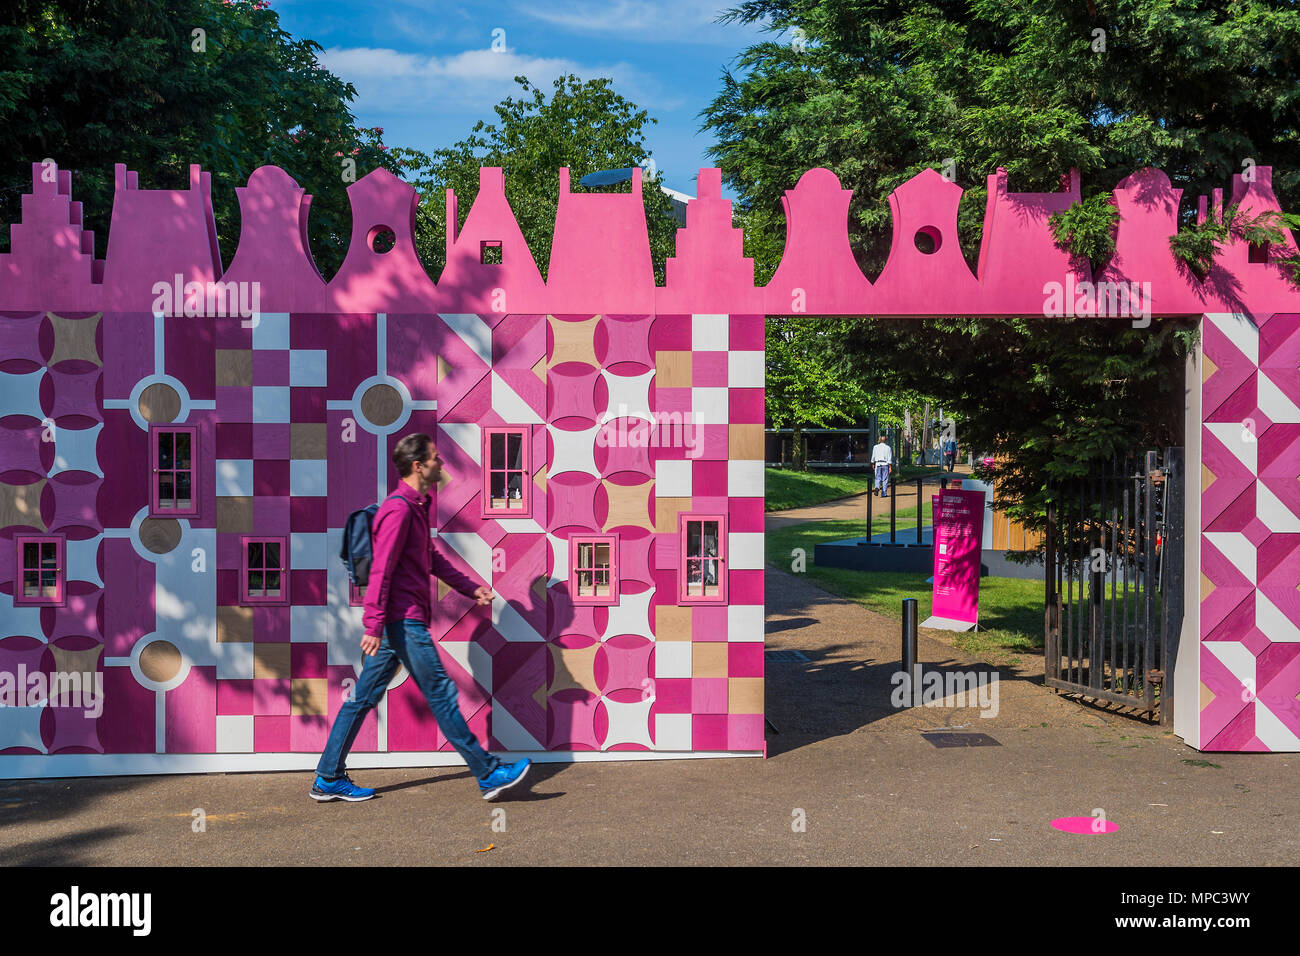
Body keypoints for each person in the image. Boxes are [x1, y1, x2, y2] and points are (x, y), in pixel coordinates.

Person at [311, 433, 531, 803]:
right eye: (434, 458)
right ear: (418, 465)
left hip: (400, 623)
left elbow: (432, 560)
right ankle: (490, 774)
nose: (441, 463)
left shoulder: (417, 505)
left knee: (361, 699)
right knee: (443, 695)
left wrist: (471, 588)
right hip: (404, 623)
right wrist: (374, 625)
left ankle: (328, 777)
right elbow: (381, 570)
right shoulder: (398, 510)